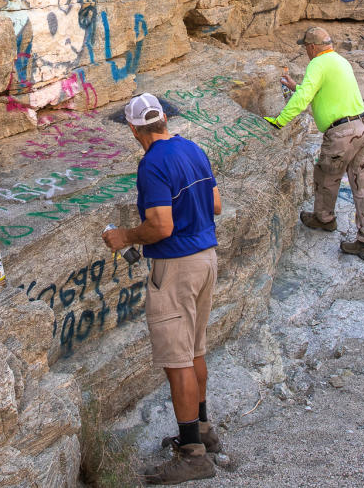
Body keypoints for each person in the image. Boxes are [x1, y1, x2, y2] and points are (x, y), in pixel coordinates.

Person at [103, 93, 221, 484]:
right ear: (165, 119)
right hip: (207, 259)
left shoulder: (152, 164)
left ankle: (192, 455)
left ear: (135, 129)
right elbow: (216, 203)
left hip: (176, 267)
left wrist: (124, 236)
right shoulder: (192, 148)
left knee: (177, 360)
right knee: (196, 347)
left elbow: (160, 226)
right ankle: (202, 429)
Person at [265, 26, 364, 262]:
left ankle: (324, 219)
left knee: (326, 177)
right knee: (362, 185)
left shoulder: (317, 63)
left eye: (305, 47)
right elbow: (321, 92)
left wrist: (279, 121)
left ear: (312, 47)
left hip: (343, 134)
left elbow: (304, 99)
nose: (306, 51)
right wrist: (297, 87)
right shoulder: (340, 61)